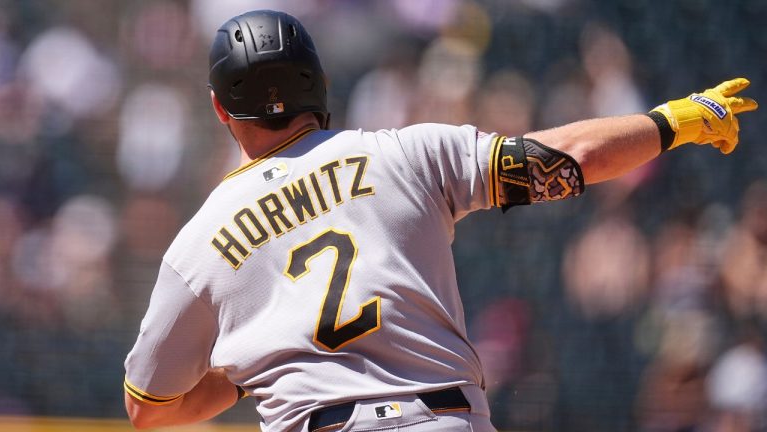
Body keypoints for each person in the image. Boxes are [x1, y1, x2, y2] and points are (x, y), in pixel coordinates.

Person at [122, 9, 758, 432]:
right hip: (443, 418)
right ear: (319, 82)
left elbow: (147, 408)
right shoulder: (404, 152)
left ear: (219, 110)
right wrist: (674, 120)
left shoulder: (200, 241)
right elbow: (569, 159)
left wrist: (242, 374)